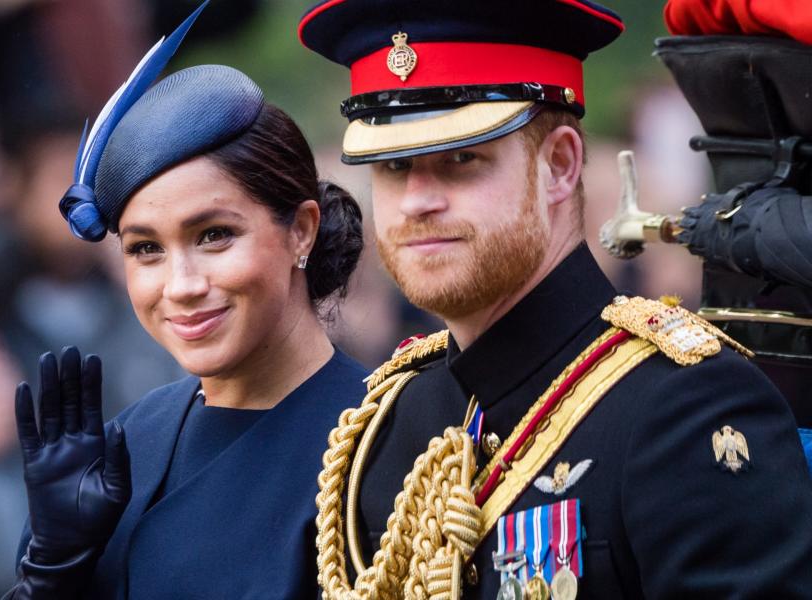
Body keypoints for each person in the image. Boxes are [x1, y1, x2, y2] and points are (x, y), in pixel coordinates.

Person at [297, 1, 812, 598]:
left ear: (561, 166)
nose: (416, 201)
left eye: (462, 159)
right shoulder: (388, 422)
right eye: (393, 165)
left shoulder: (688, 408)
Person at [5, 5, 366, 598]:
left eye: (214, 235)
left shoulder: (382, 441)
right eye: (146, 249)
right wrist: (49, 573)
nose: (181, 284)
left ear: (301, 230)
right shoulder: (129, 443)